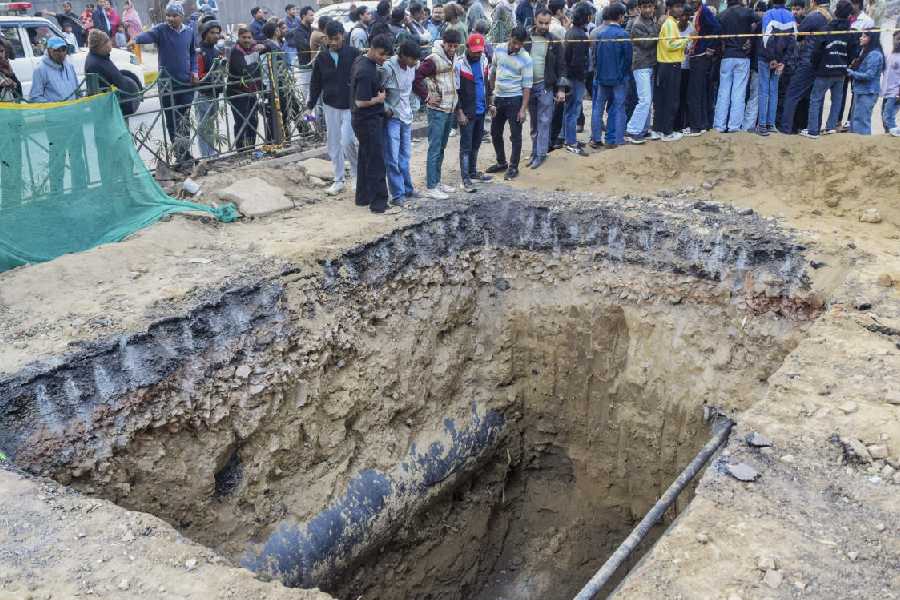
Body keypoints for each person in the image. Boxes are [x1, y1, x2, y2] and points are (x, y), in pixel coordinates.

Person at [132, 2, 197, 168]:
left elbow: (192, 54)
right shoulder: (161, 30)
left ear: (181, 16)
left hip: (185, 83)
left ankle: (186, 153)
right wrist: (136, 39)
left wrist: (194, 71)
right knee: (171, 121)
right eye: (168, 15)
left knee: (184, 120)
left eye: (174, 15)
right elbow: (147, 36)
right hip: (167, 85)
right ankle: (179, 156)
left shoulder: (189, 31)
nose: (170, 18)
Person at [307, 20, 361, 195]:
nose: (333, 43)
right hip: (330, 106)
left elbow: (362, 77)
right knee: (333, 144)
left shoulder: (354, 54)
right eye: (330, 39)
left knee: (348, 141)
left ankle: (357, 175)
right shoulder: (322, 58)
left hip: (350, 106)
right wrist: (310, 105)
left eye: (336, 39)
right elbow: (315, 83)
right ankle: (338, 179)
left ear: (342, 36)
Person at [29, 36, 86, 193]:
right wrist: (55, 106)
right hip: (56, 122)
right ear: (49, 51)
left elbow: (76, 89)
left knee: (77, 156)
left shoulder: (69, 65)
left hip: (74, 119)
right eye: (57, 50)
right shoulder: (40, 69)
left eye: (63, 49)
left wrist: (80, 103)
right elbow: (35, 96)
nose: (61, 53)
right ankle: (56, 193)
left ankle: (80, 190)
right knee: (57, 159)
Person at [414, 28, 462, 199]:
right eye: (450, 46)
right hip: (437, 110)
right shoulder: (433, 60)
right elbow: (416, 78)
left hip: (449, 108)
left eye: (455, 46)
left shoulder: (453, 57)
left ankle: (437, 181)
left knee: (441, 147)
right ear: (444, 43)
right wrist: (427, 97)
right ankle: (431, 186)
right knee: (434, 148)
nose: (452, 49)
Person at [350, 33, 393, 214]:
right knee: (376, 161)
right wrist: (379, 99)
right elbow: (361, 101)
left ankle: (363, 197)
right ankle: (379, 203)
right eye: (382, 54)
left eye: (387, 55)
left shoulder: (361, 61)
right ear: (373, 49)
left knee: (365, 158)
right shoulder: (366, 71)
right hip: (367, 120)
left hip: (362, 119)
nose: (384, 58)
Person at [802, 0, 856, 138]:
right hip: (841, 72)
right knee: (837, 101)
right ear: (849, 15)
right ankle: (831, 127)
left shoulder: (826, 29)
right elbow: (853, 53)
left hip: (824, 71)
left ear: (836, 12)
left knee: (816, 99)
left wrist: (815, 65)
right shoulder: (849, 32)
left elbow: (816, 51)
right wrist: (845, 64)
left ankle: (813, 130)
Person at [487, 25, 532, 179]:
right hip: (499, 98)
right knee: (495, 132)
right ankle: (501, 162)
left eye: (520, 43)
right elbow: (493, 72)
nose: (517, 46)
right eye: (514, 42)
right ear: (509, 37)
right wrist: (492, 96)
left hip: (515, 100)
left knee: (516, 135)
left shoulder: (526, 59)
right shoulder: (499, 49)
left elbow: (527, 86)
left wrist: (523, 109)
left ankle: (513, 167)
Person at [779, 0, 830, 133]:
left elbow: (798, 35)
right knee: (816, 97)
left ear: (813, 2)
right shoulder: (830, 17)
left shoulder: (814, 16)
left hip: (808, 60)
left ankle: (785, 128)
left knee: (792, 93)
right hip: (822, 63)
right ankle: (813, 129)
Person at [526, 9, 566, 168]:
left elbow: (561, 66)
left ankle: (541, 154)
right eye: (541, 22)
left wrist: (561, 89)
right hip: (528, 87)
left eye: (547, 23)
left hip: (545, 86)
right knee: (534, 122)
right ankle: (534, 151)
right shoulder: (526, 38)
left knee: (544, 121)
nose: (543, 26)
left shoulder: (554, 41)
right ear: (535, 20)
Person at [382, 39, 420, 205]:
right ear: (403, 56)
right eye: (412, 59)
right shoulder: (387, 68)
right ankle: (397, 195)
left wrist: (414, 105)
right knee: (392, 157)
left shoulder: (412, 67)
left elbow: (410, 90)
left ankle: (407, 189)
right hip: (393, 117)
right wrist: (386, 108)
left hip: (406, 116)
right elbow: (376, 90)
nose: (415, 62)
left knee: (405, 156)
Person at [590, 2, 632, 149]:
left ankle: (596, 138)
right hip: (618, 78)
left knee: (598, 108)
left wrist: (599, 73)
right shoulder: (623, 34)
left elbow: (595, 57)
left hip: (602, 77)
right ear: (620, 17)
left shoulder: (600, 34)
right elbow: (628, 59)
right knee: (618, 108)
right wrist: (622, 74)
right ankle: (615, 139)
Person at [456, 32, 493, 191]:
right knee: (466, 145)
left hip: (481, 110)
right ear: (467, 48)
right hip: (467, 111)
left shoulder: (484, 60)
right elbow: (456, 91)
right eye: (474, 51)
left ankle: (472, 172)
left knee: (476, 142)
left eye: (480, 51)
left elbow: (486, 84)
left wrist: (490, 103)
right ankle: (465, 178)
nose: (477, 54)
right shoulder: (459, 64)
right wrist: (459, 112)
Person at [714, 0, 758, 133]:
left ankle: (719, 126)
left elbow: (717, 33)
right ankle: (734, 126)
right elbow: (760, 22)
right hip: (742, 56)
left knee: (723, 92)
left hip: (726, 56)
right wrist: (750, 38)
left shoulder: (721, 15)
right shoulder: (748, 12)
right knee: (738, 93)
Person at [755, 0, 797, 135]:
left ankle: (762, 125)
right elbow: (793, 41)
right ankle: (771, 124)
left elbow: (767, 38)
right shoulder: (791, 16)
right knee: (774, 91)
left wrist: (772, 58)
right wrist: (782, 61)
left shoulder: (768, 14)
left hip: (766, 58)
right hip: (780, 59)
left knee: (764, 90)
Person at [625, 0, 659, 143]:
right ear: (639, 8)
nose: (648, 9)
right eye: (645, 7)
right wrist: (658, 33)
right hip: (641, 65)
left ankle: (643, 130)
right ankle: (632, 131)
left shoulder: (651, 21)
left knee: (647, 100)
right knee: (644, 100)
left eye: (650, 6)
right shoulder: (637, 24)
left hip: (650, 64)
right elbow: (646, 43)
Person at [654, 0, 688, 141]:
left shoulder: (672, 23)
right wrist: (686, 39)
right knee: (671, 100)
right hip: (670, 65)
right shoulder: (670, 24)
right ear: (669, 8)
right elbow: (670, 45)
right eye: (677, 7)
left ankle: (659, 130)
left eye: (681, 7)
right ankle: (667, 132)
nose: (680, 9)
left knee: (663, 99)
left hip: (666, 64)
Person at [685, 0, 720, 136]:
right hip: (698, 55)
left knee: (695, 93)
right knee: (701, 92)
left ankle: (696, 126)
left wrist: (710, 46)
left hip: (700, 56)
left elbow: (716, 27)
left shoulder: (704, 11)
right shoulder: (699, 12)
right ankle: (703, 124)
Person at [227, 26, 263, 150]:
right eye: (244, 37)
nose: (247, 40)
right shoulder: (236, 51)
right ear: (238, 37)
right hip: (237, 93)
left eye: (249, 37)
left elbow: (271, 46)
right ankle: (241, 149)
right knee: (241, 121)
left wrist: (263, 47)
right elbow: (244, 71)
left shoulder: (253, 48)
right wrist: (255, 62)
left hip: (251, 92)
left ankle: (251, 147)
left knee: (253, 120)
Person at [563, 3, 591, 154]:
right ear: (587, 17)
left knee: (570, 110)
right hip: (575, 78)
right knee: (573, 110)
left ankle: (569, 138)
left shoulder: (571, 32)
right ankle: (571, 142)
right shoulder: (580, 35)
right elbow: (578, 62)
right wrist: (583, 78)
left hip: (569, 76)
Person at [195, 19, 225, 158]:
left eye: (217, 33)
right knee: (203, 127)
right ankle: (206, 155)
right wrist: (214, 75)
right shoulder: (199, 52)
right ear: (205, 34)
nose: (216, 36)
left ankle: (211, 152)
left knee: (211, 126)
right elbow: (199, 75)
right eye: (212, 33)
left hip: (215, 93)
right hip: (204, 93)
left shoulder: (217, 50)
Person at [846, 29, 883, 135]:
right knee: (854, 120)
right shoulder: (865, 51)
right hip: (860, 90)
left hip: (868, 92)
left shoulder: (875, 54)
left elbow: (869, 75)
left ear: (871, 39)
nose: (860, 38)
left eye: (864, 36)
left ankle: (864, 144)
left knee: (861, 122)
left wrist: (851, 73)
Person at [293, 6, 315, 101]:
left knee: (313, 92)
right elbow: (305, 47)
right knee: (304, 93)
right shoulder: (298, 31)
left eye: (313, 15)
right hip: (305, 66)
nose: (313, 17)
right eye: (311, 15)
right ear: (303, 16)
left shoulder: (312, 29)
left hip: (313, 64)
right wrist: (315, 44)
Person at [883, 33, 900, 136]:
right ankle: (890, 134)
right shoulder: (889, 54)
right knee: (885, 115)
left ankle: (896, 133)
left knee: (888, 115)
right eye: (896, 39)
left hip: (895, 92)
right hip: (887, 92)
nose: (897, 42)